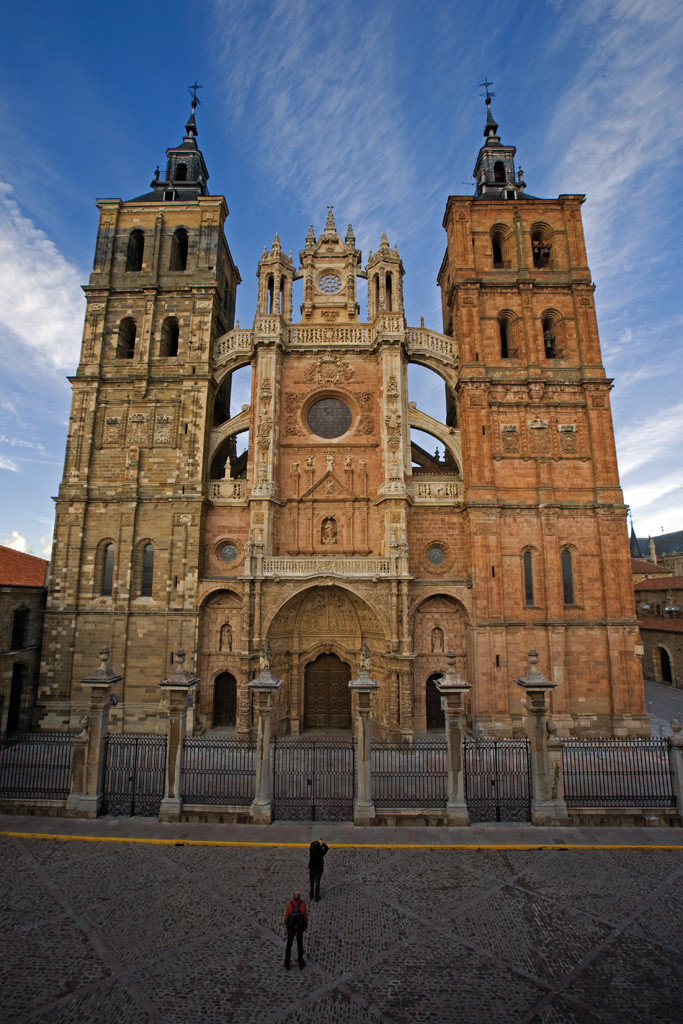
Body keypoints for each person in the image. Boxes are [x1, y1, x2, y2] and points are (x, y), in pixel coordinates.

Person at [283, 891, 308, 970]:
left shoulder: (289, 905)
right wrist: (304, 926)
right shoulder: (303, 905)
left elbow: (286, 917)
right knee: (300, 946)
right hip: (299, 929)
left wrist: (288, 927)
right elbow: (305, 917)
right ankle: (300, 963)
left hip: (291, 930)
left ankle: (287, 963)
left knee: (289, 946)